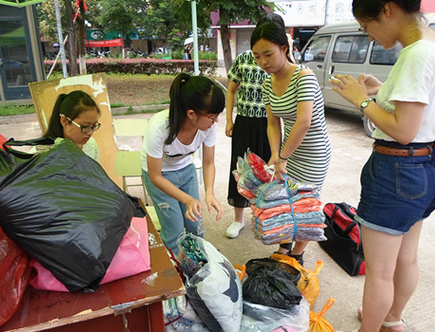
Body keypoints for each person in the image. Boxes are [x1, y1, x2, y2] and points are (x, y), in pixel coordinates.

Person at [329, 1, 435, 332]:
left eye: (367, 26)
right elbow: (419, 112)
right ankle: (391, 319)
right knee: (407, 257)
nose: (369, 35)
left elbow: (403, 130)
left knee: (379, 272)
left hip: (397, 171)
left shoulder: (416, 53)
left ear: (387, 9)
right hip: (424, 168)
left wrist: (360, 100)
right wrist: (381, 93)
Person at [251, 21, 332, 265]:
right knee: (287, 201)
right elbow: (272, 123)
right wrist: (275, 154)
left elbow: (303, 122)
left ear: (285, 49)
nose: (263, 62)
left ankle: (298, 255)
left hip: (314, 151)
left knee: (306, 203)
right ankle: (285, 245)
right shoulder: (267, 82)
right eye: (257, 56)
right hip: (289, 149)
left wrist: (283, 157)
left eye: (268, 54)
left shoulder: (303, 77)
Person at [141, 73, 225, 255]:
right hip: (160, 176)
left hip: (186, 171)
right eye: (212, 116)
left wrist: (209, 193)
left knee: (196, 227)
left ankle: (198, 266)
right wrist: (186, 199)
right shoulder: (159, 127)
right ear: (191, 114)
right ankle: (175, 274)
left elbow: (209, 162)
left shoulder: (207, 127)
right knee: (174, 233)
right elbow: (155, 176)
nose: (215, 121)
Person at [225, 13, 286, 239]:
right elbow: (231, 90)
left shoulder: (283, 62)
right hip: (244, 121)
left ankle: (264, 217)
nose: (263, 58)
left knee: (267, 173)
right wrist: (229, 119)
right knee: (239, 170)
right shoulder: (244, 59)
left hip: (270, 124)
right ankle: (238, 219)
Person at [38, 90, 101, 162]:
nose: (90, 132)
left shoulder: (91, 144)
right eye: (85, 126)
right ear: (65, 121)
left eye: (94, 126)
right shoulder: (43, 154)